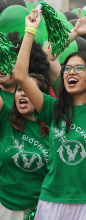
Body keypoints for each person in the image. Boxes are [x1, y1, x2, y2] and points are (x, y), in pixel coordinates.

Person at [14, 9, 86, 220]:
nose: (71, 72)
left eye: (79, 69)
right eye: (67, 68)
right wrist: (30, 31)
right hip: (53, 199)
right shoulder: (52, 108)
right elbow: (20, 75)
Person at [0, 74, 50, 220]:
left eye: (29, 89)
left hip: (39, 210)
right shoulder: (6, 120)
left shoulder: (56, 131)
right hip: (3, 206)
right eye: (19, 89)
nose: (22, 93)